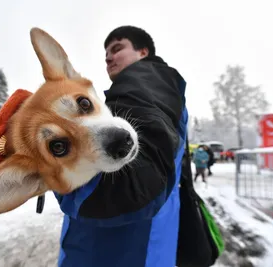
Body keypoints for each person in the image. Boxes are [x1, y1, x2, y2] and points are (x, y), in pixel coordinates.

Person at [54, 25, 188, 267]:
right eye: (106, 53)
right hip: (140, 248)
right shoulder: (155, 90)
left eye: (117, 48)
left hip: (118, 253)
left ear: (143, 52)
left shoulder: (143, 82)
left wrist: (48, 155)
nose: (108, 57)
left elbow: (131, 188)